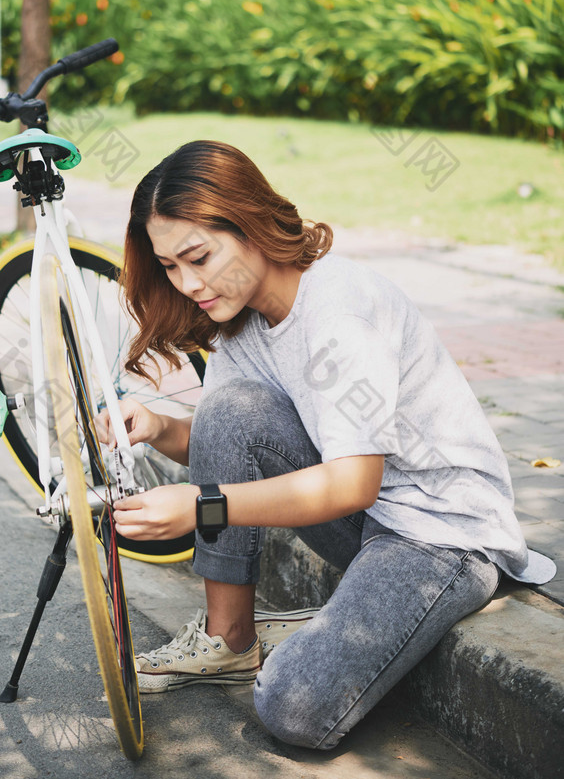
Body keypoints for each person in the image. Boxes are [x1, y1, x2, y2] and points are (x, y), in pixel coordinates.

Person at [107, 139, 555, 750]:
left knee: (293, 705)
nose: (187, 284)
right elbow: (228, 434)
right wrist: (159, 427)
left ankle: (355, 627)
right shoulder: (247, 317)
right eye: (170, 267)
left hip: (441, 536)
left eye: (199, 257)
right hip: (369, 520)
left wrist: (200, 506)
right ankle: (229, 639)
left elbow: (352, 483)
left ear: (252, 224)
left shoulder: (339, 313)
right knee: (227, 404)